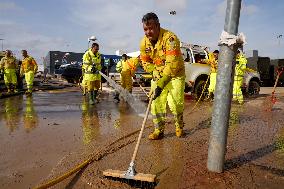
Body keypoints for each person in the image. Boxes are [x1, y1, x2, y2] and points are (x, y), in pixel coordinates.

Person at [140, 12, 185, 140]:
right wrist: (153, 70)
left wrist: (161, 83)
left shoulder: (170, 38)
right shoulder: (143, 43)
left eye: (151, 28)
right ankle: (159, 130)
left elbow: (172, 64)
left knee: (175, 103)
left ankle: (179, 126)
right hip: (158, 74)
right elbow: (145, 62)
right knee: (156, 103)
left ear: (158, 25)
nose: (148, 32)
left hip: (175, 74)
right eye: (145, 29)